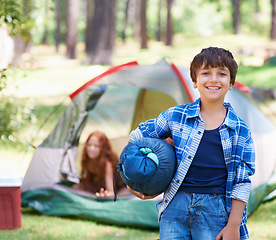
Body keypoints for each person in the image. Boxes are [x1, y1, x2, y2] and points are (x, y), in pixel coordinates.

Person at [127, 47, 255, 240]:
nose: (213, 79)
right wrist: (132, 182)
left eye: (221, 73)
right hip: (175, 207)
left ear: (231, 83)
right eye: (206, 73)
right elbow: (136, 138)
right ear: (195, 81)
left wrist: (234, 225)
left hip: (216, 212)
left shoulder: (240, 129)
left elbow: (242, 181)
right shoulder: (175, 116)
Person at [72, 131, 124, 196]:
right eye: (89, 145)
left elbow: (111, 191)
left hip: (116, 187)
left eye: (96, 146)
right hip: (97, 185)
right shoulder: (87, 159)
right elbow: (88, 180)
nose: (92, 149)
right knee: (75, 188)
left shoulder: (107, 164)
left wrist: (104, 194)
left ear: (103, 148)